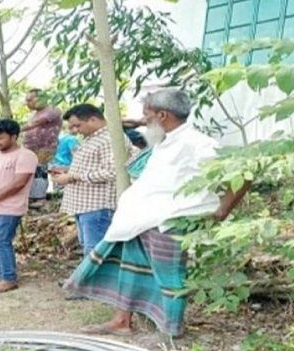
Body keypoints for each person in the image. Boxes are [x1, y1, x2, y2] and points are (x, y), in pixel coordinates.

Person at [65, 89, 249, 337]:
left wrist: (223, 208)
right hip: (138, 221)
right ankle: (122, 321)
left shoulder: (198, 143)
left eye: (146, 115)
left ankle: (171, 331)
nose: (143, 120)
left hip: (169, 221)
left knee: (169, 275)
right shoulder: (164, 141)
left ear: (163, 115)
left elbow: (244, 173)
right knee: (130, 270)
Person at [51, 104, 129, 257]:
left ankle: (96, 281)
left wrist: (73, 177)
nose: (74, 131)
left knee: (95, 252)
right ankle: (88, 281)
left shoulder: (109, 139)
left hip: (98, 206)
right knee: (89, 248)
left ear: (93, 119)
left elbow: (112, 171)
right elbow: (94, 167)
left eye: (77, 125)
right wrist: (68, 171)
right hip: (85, 206)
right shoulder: (92, 138)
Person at [0, 119, 38, 293]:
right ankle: (2, 275)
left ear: (13, 136)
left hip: (10, 207)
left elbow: (19, 183)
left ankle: (9, 278)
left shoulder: (26, 155)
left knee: (1, 241)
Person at [21, 89, 63, 203]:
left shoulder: (52, 110)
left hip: (44, 148)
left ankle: (40, 198)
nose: (28, 103)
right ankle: (32, 197)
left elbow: (36, 123)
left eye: (30, 100)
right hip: (31, 148)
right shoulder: (34, 114)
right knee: (32, 172)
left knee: (40, 171)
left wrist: (15, 129)